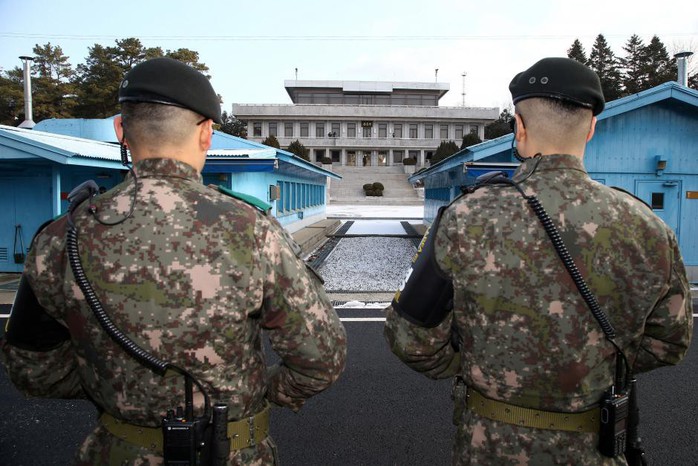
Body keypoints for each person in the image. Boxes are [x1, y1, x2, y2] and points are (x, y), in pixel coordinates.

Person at [1, 57, 346, 465]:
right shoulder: (252, 230)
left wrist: (111, 386)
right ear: (206, 134)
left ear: (120, 130)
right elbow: (321, 359)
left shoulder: (62, 238)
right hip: (230, 452)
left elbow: (31, 370)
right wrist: (262, 390)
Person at [384, 57, 693, 465]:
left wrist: (478, 364)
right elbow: (669, 342)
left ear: (519, 125)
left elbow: (411, 339)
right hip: (594, 448)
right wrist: (589, 369)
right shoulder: (648, 227)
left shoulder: (466, 217)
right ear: (592, 128)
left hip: (489, 446)